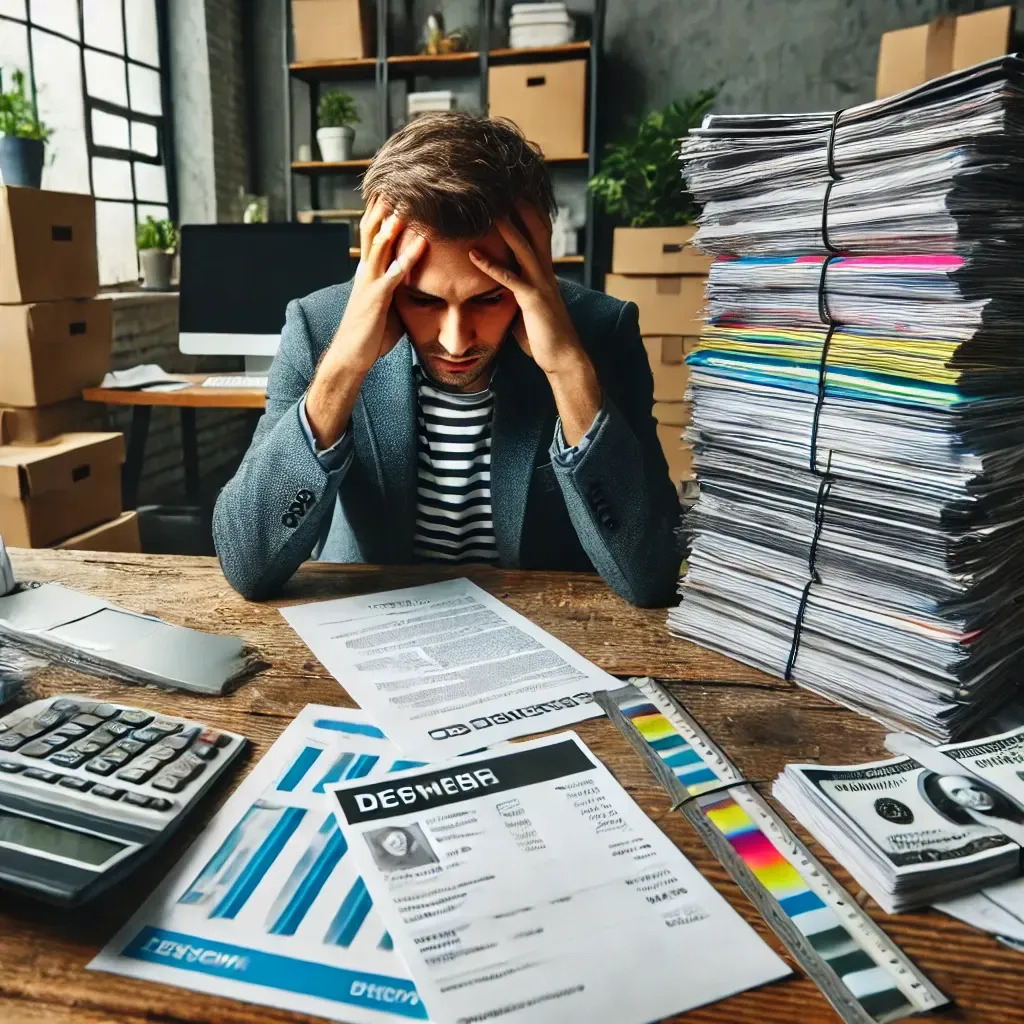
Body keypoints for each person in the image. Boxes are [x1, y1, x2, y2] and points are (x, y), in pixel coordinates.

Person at [213, 113, 681, 606]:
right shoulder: (318, 327)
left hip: (552, 631)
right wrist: (344, 368)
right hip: (374, 631)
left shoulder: (601, 332)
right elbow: (248, 565)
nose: (457, 343)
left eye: (487, 299)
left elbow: (652, 576)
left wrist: (567, 368)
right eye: (424, 301)